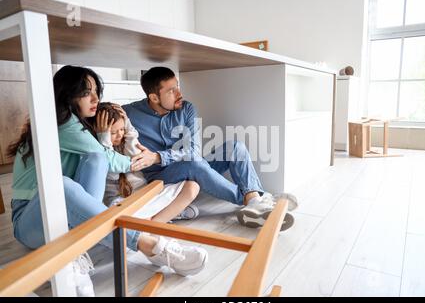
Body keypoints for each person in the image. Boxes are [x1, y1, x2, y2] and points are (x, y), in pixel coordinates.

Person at [7, 66, 208, 296]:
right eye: (85, 93)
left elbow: (103, 155)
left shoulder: (79, 124)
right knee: (63, 184)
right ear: (67, 95)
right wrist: (142, 160)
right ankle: (151, 246)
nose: (95, 98)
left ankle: (79, 248)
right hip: (30, 219)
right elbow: (110, 158)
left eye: (96, 91)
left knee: (95, 160)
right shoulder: (62, 125)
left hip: (65, 219)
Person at [122, 67, 298, 231]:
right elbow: (103, 120)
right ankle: (256, 199)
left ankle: (255, 200)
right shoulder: (130, 113)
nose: (179, 93)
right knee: (194, 163)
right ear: (154, 98)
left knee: (235, 147)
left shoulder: (187, 108)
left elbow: (193, 150)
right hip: (160, 176)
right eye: (171, 91)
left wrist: (158, 156)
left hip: (190, 164)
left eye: (178, 86)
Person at [94, 102, 201, 222]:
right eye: (113, 133)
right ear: (101, 133)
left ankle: (152, 221)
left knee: (192, 187)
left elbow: (134, 152)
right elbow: (114, 172)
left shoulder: (127, 142)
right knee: (119, 215)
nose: (120, 135)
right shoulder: (98, 150)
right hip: (121, 202)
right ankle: (160, 218)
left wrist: (127, 122)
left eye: (122, 129)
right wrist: (104, 141)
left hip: (145, 195)